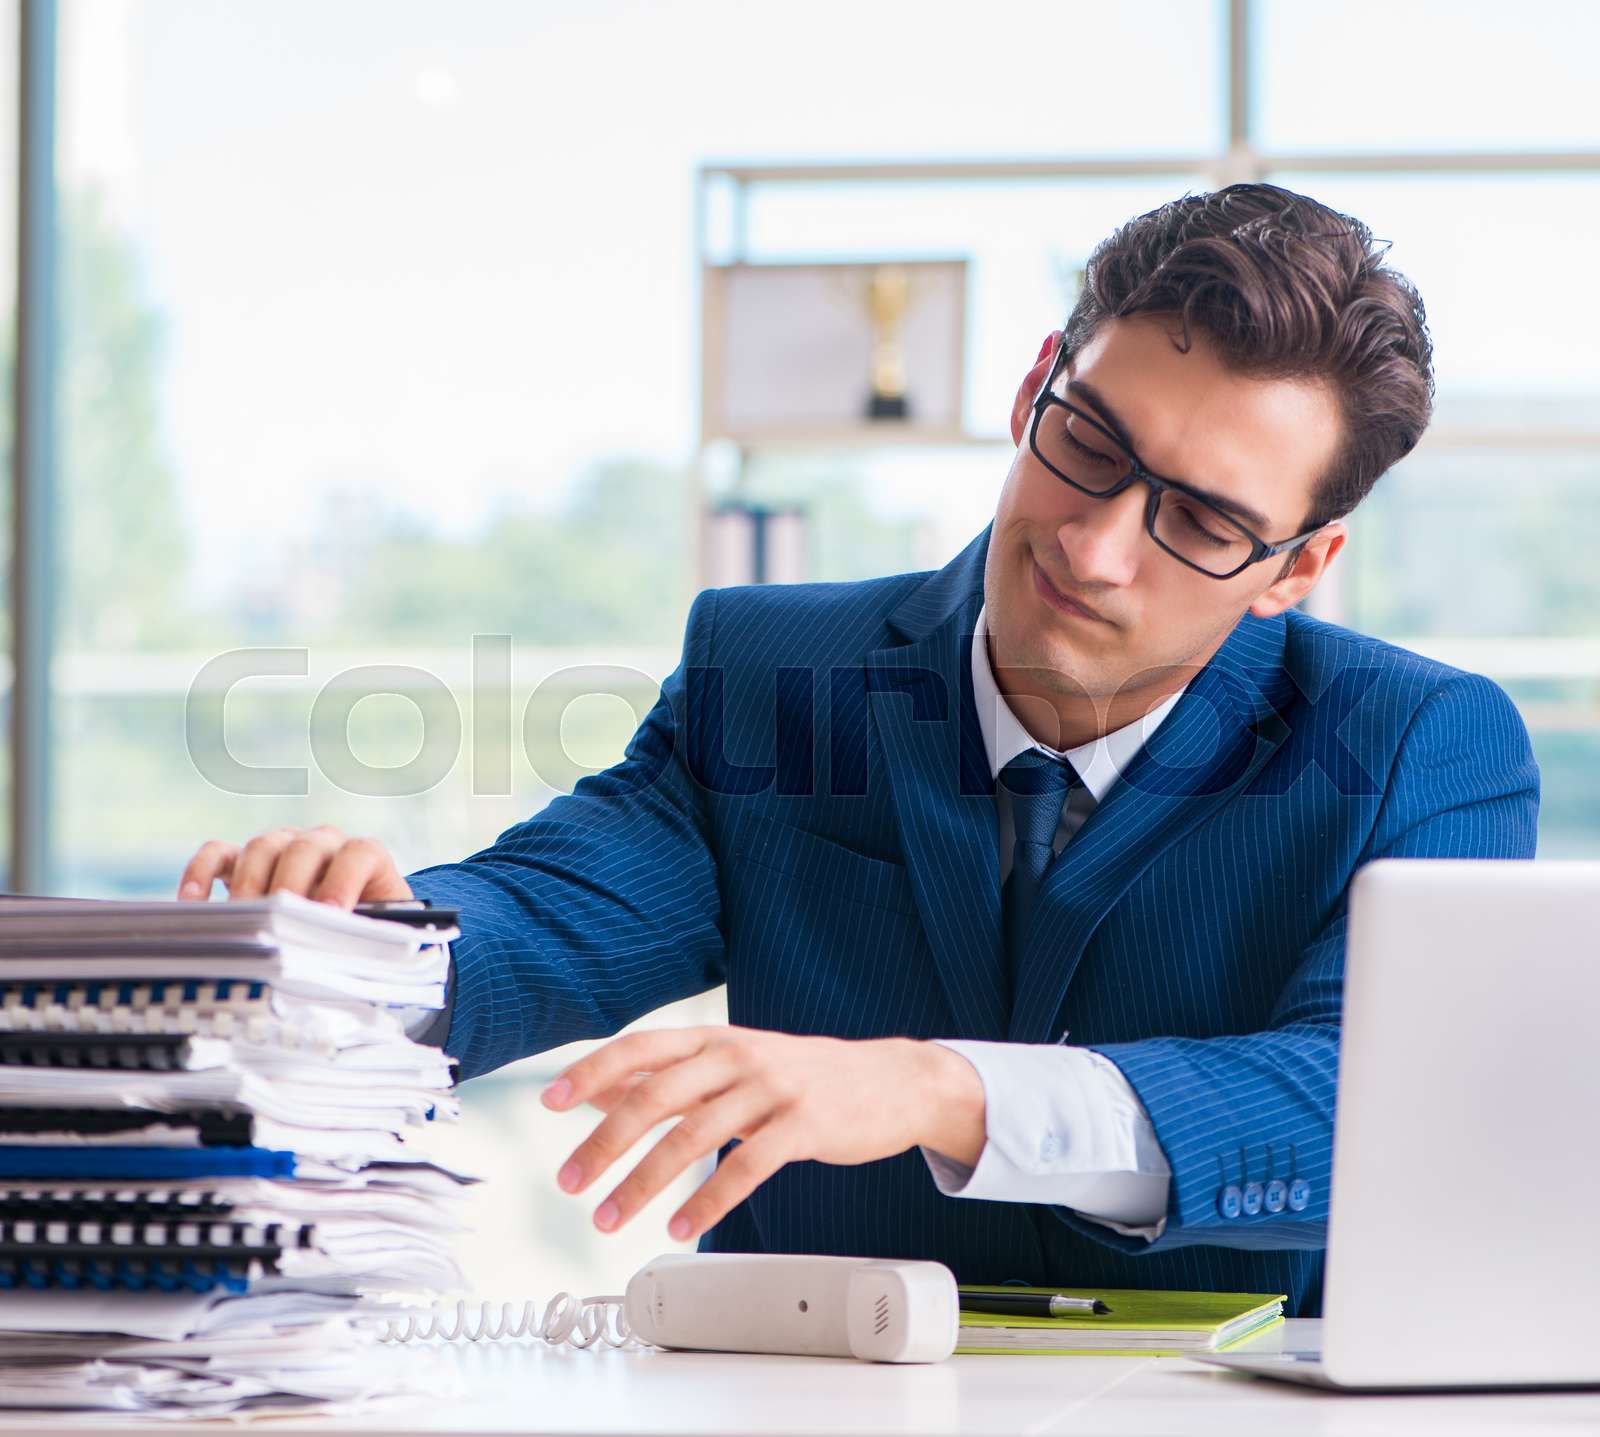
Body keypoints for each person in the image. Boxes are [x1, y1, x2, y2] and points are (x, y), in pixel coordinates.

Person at [178, 184, 1539, 1317]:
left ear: (1299, 567)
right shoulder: (773, 673)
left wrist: (934, 1088)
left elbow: (1370, 1102)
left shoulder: (1424, 742)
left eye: (1200, 521)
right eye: (1091, 444)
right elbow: (556, 910)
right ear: (1032, 392)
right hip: (803, 1387)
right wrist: (358, 950)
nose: (1094, 544)